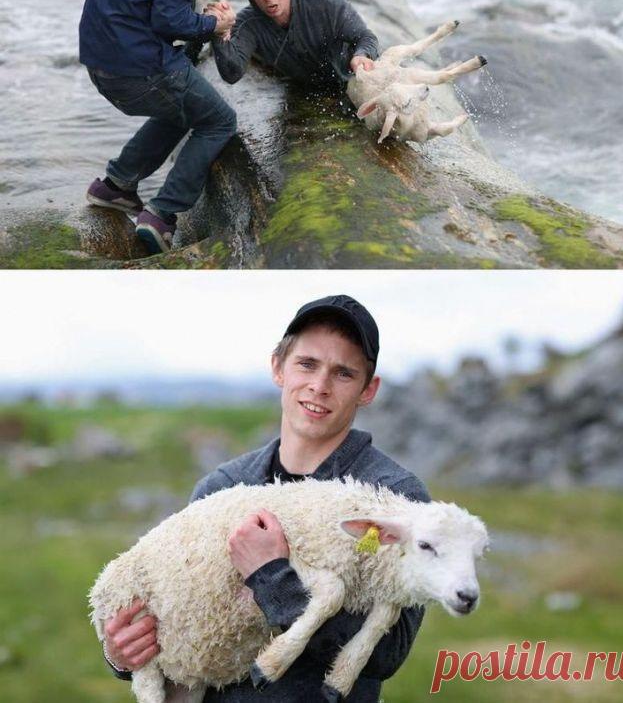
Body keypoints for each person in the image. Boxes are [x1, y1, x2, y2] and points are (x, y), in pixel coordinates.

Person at [102, 289, 433, 693]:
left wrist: (273, 577)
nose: (320, 386)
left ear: (368, 389)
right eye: (307, 364)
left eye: (343, 373)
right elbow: (179, 618)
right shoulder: (221, 487)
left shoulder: (394, 499)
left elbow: (386, 656)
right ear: (279, 367)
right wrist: (123, 655)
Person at [81, 0, 253, 257]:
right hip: (135, 66)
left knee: (182, 102)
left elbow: (151, 2)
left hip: (99, 58)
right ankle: (162, 215)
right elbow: (168, 19)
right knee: (218, 120)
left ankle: (116, 185)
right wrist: (215, 23)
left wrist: (197, 22)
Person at [211, 0, 381, 107]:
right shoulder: (247, 23)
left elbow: (366, 37)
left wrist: (362, 55)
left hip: (351, 84)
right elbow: (231, 74)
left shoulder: (329, 4)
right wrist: (219, 33)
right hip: (304, 92)